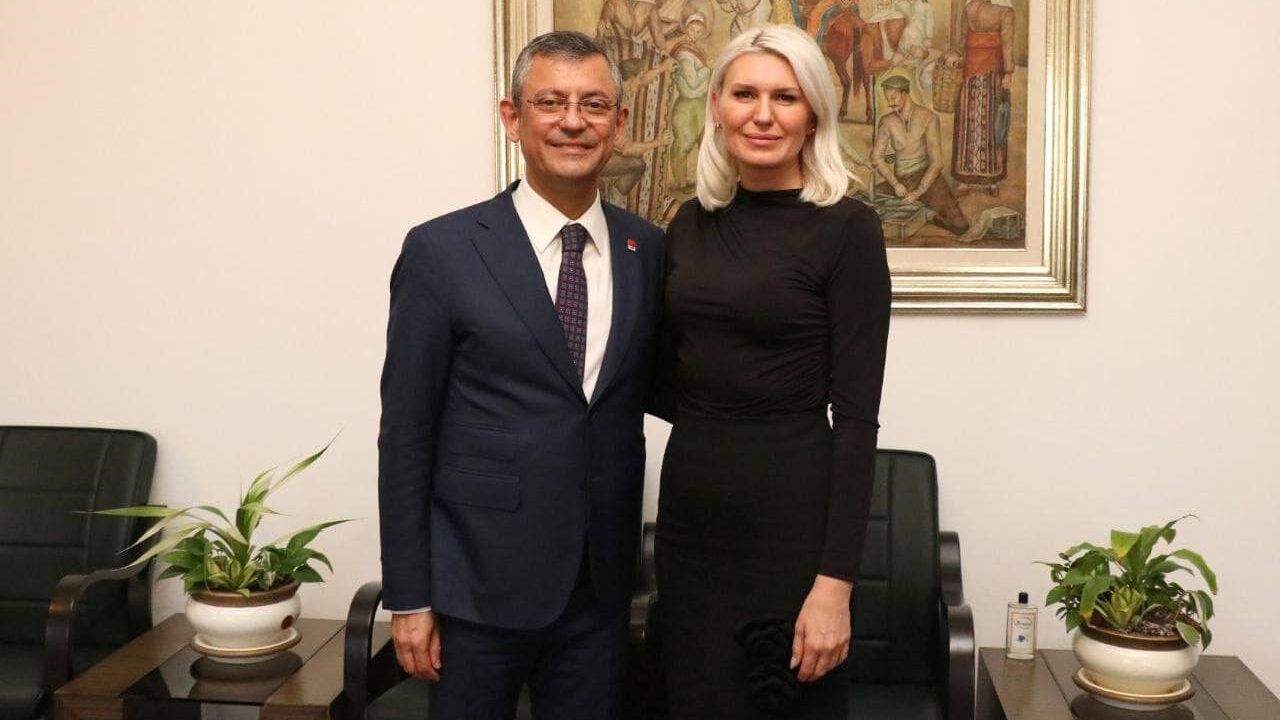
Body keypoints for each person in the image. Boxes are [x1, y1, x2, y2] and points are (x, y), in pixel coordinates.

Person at [377, 30, 664, 720]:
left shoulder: (647, 249)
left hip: (599, 591)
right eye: (551, 102)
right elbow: (406, 435)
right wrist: (410, 597)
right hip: (474, 589)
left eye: (594, 104)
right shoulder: (443, 250)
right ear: (513, 118)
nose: (573, 121)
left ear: (619, 123)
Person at [652, 22, 891, 720]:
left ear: (813, 113)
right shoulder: (688, 223)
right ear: (716, 107)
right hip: (691, 522)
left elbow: (857, 420)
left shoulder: (848, 229)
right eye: (745, 94)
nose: (763, 114)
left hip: (791, 523)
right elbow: (668, 374)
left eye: (785, 97)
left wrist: (835, 585)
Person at [872, 74, 970, 235]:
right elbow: (876, 157)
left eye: (893, 97)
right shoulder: (887, 121)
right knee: (862, 205)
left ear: (905, 93)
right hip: (901, 181)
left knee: (960, 225)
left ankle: (926, 212)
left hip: (928, 179)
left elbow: (937, 163)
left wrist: (918, 192)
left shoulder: (929, 117)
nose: (890, 103)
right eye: (888, 99)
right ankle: (928, 214)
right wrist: (895, 184)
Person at [949, 0, 1015, 189]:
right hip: (991, 73)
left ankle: (966, 179)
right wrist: (1008, 72)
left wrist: (955, 55)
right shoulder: (1005, 11)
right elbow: (1007, 45)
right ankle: (991, 180)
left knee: (970, 120)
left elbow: (961, 41)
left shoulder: (969, 8)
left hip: (972, 72)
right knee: (992, 122)